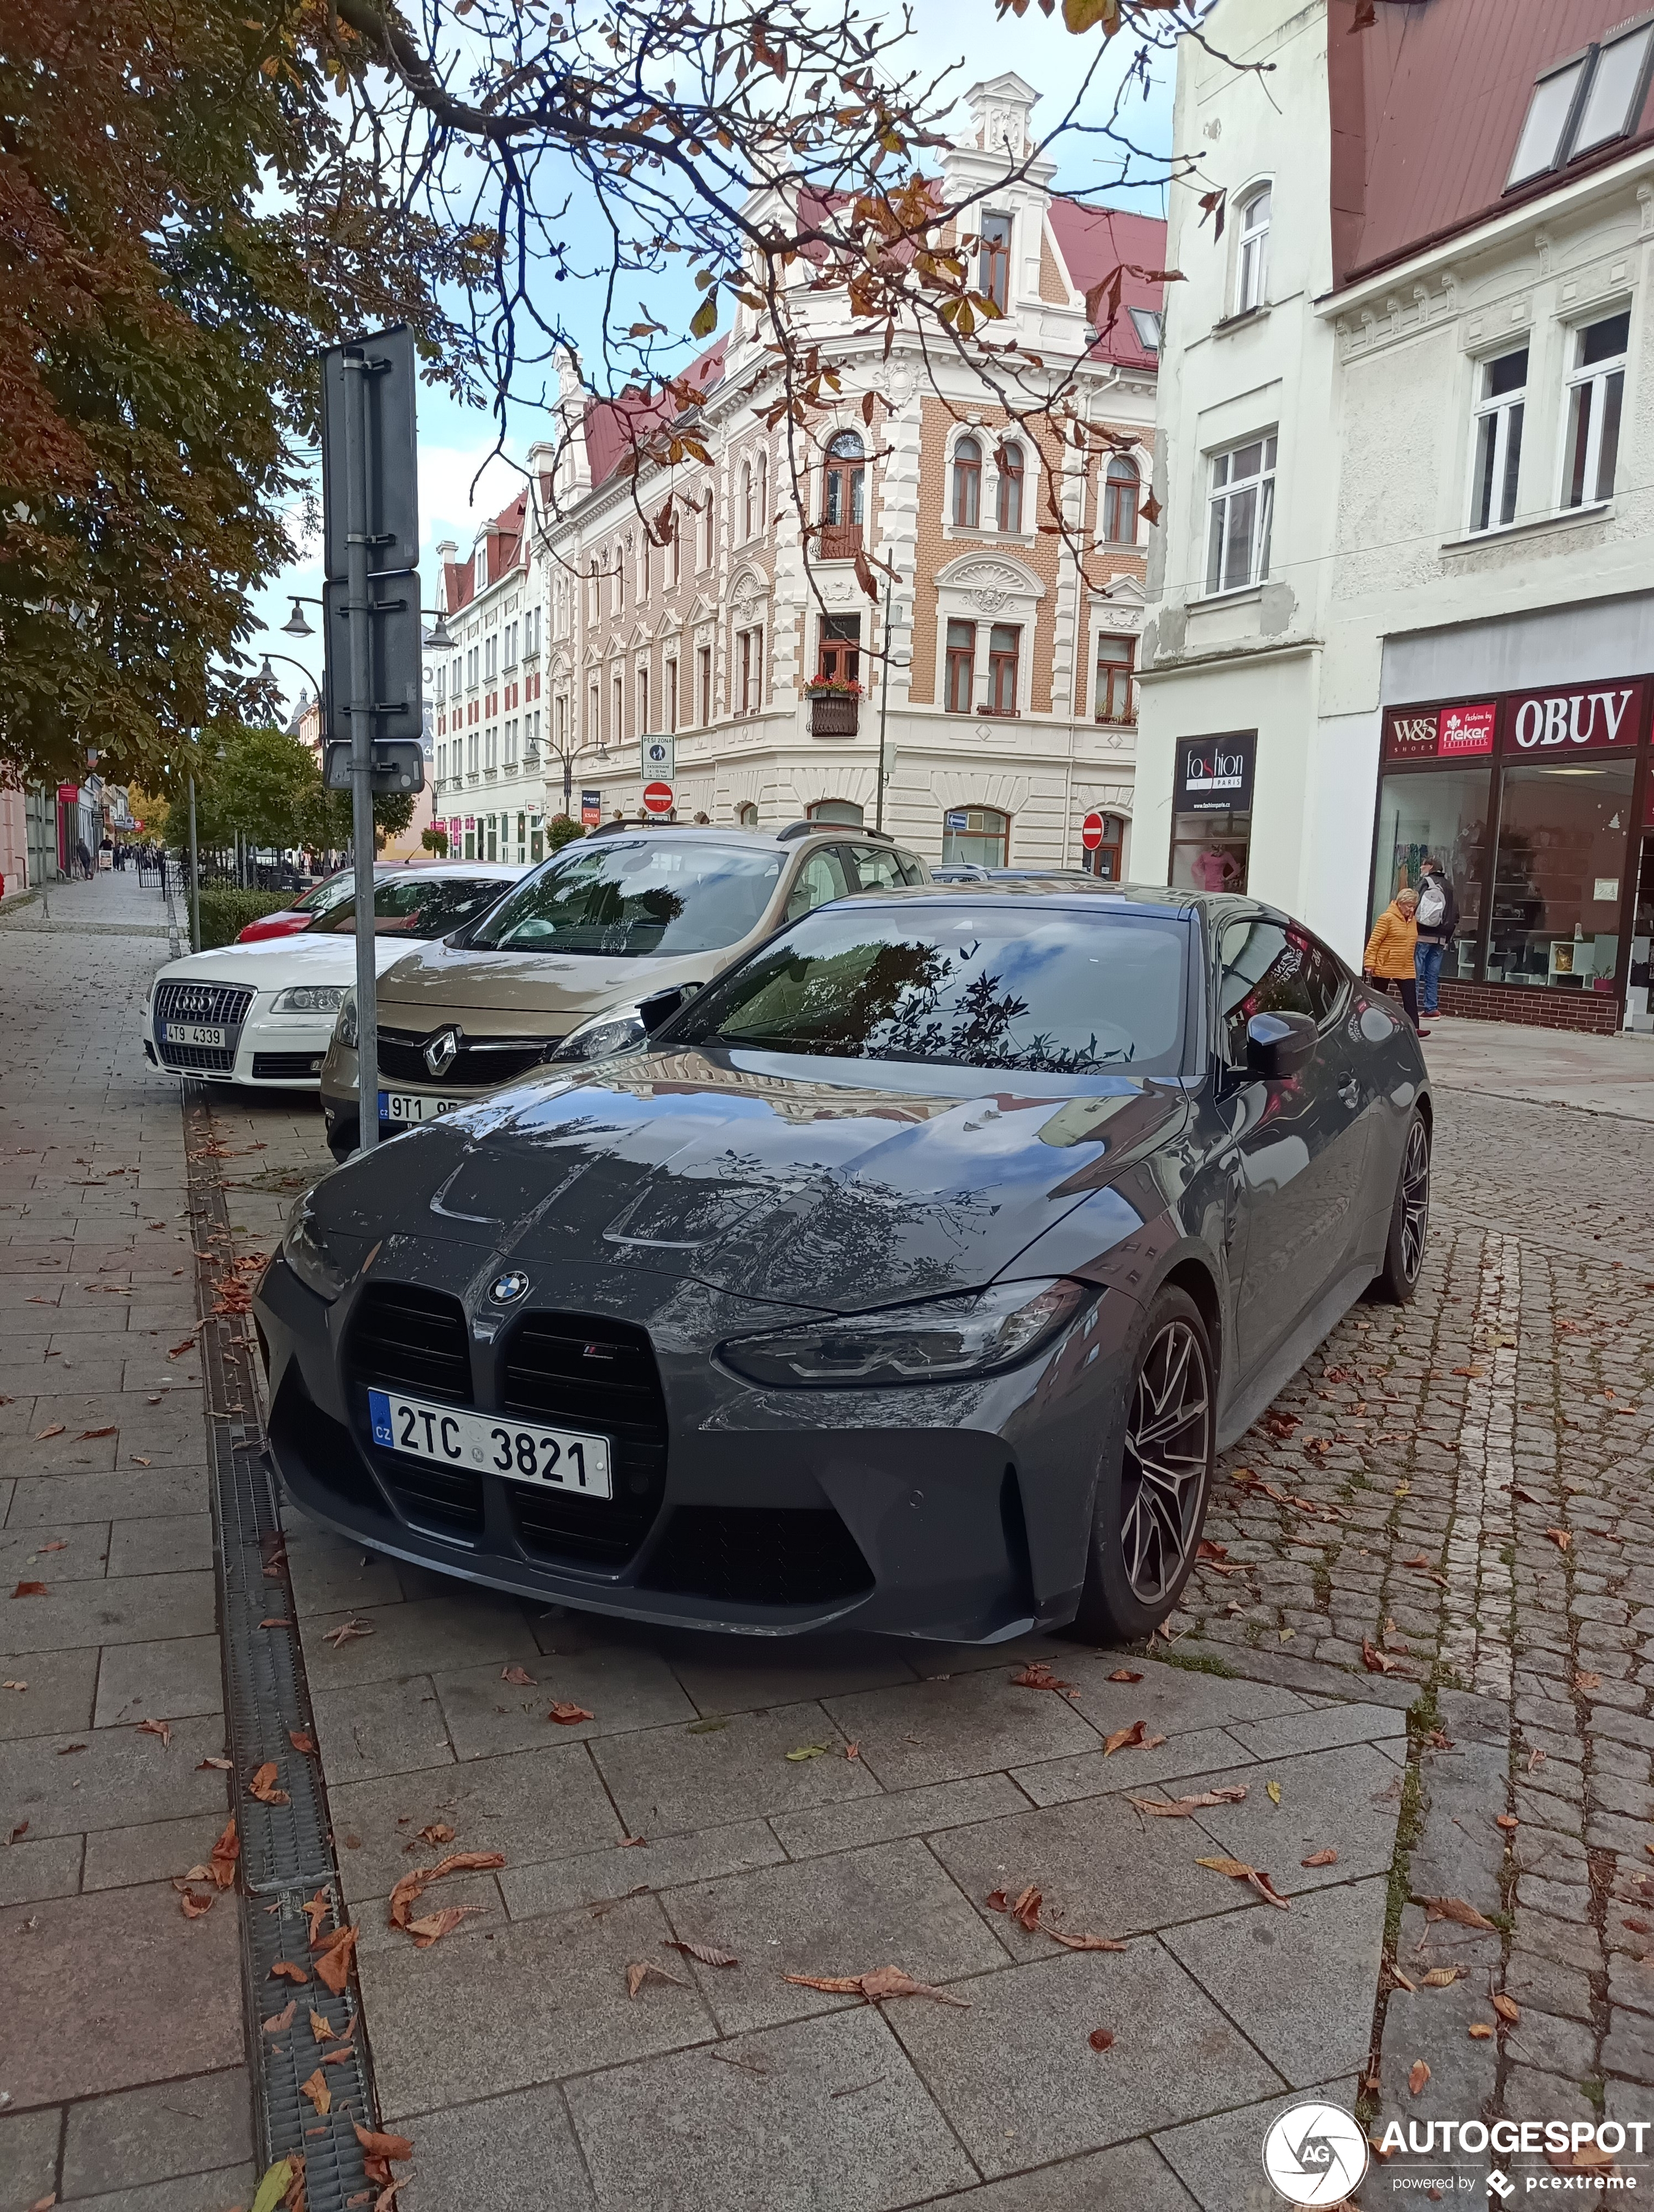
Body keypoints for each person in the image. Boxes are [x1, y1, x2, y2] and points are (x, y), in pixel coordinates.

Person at [1364, 885, 1427, 1036]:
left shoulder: (1412, 921)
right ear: (1400, 903)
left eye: (1414, 906)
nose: (1411, 910)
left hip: (1405, 966)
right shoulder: (1387, 918)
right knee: (1379, 998)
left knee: (1410, 999)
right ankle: (1373, 1026)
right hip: (1385, 964)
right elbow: (1374, 942)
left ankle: (1414, 1029)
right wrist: (1369, 963)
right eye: (1409, 906)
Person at [1414, 858, 1457, 1021]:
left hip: (1423, 933)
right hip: (1441, 937)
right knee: (1433, 973)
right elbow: (1455, 913)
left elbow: (1413, 903)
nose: (1421, 866)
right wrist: (1448, 934)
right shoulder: (1449, 886)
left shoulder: (1426, 882)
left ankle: (1411, 1006)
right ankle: (1431, 1008)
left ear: (1431, 867)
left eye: (1423, 864)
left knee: (1416, 972)